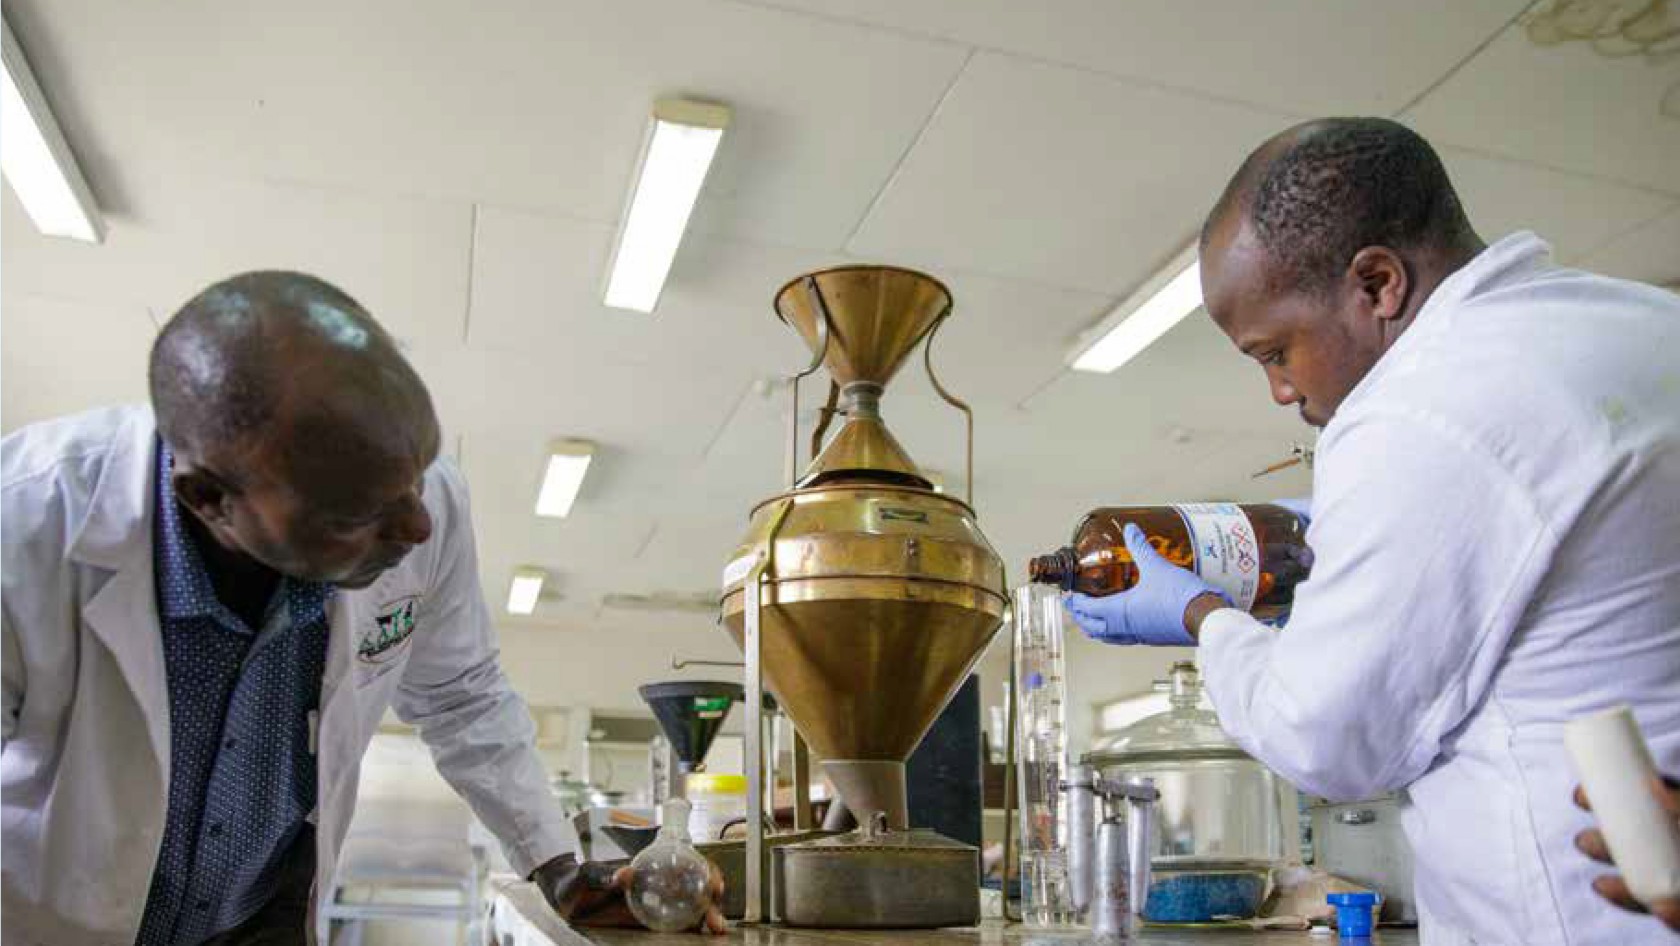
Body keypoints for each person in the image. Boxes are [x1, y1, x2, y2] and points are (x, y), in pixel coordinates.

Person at [1063, 119, 1680, 944]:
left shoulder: (1419, 406)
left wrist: (1204, 618)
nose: (1281, 393)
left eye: (1275, 352)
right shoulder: (1644, 323)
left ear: (1378, 284)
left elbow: (1325, 741)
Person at [0, 271, 724, 944]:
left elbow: (463, 696)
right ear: (210, 498)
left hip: (263, 915)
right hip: (54, 920)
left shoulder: (416, 498)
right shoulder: (26, 523)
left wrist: (556, 865)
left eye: (415, 478)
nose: (416, 529)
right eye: (357, 512)